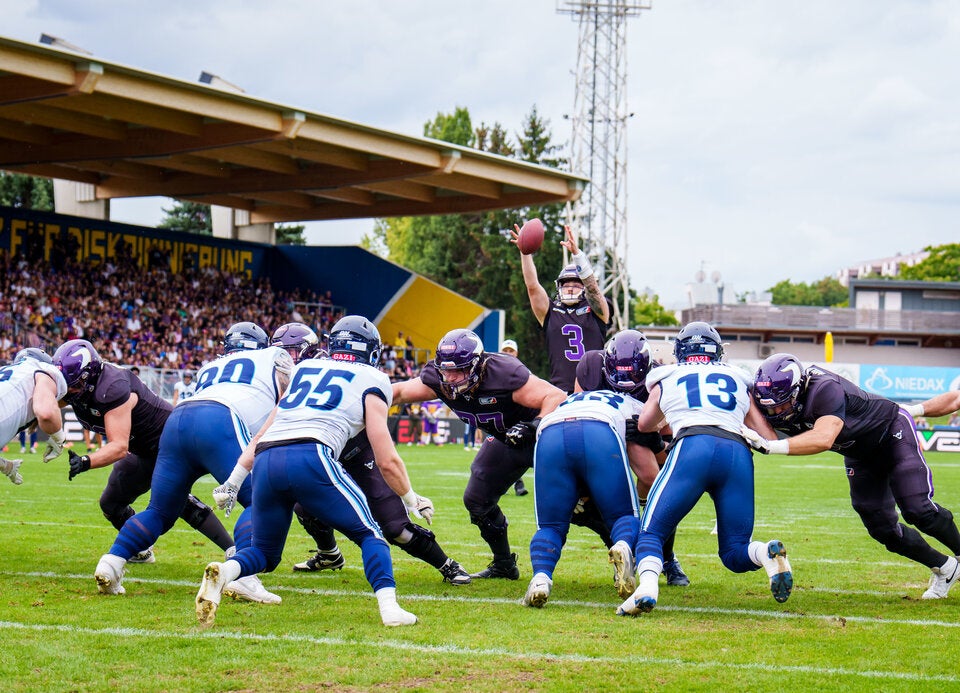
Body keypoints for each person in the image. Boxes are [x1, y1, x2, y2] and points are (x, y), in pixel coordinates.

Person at [196, 315, 429, 627]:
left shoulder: (304, 370)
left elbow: (263, 432)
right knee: (370, 533)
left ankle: (225, 572)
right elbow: (386, 458)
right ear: (372, 352)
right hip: (311, 454)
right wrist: (411, 498)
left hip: (267, 460)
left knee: (265, 554)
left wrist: (234, 481)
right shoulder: (375, 379)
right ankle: (390, 610)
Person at [93, 322, 292, 603]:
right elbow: (287, 402)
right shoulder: (273, 357)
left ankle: (112, 562)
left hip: (178, 421)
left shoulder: (209, 367)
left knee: (160, 510)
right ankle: (245, 577)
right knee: (261, 500)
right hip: (219, 420)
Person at [746, 353, 960, 600]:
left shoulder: (824, 388)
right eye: (769, 407)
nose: (776, 412)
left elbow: (824, 438)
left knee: (917, 509)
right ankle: (945, 568)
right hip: (859, 454)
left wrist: (769, 447)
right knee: (882, 528)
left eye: (782, 405)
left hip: (891, 434)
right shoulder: (762, 397)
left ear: (798, 389)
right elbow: (768, 436)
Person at [617, 322, 793, 616]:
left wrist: (666, 418)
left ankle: (647, 588)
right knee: (734, 550)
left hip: (692, 447)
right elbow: (768, 436)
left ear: (680, 352)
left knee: (651, 532)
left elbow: (646, 424)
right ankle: (766, 552)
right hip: (736, 453)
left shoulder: (668, 375)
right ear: (717, 352)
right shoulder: (736, 377)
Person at [393, 328, 568, 580]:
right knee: (477, 500)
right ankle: (504, 564)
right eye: (446, 370)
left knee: (578, 505)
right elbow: (397, 393)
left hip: (543, 439)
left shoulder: (503, 373)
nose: (450, 378)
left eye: (458, 370)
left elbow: (556, 395)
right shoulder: (438, 380)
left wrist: (534, 425)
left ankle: (627, 550)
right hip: (505, 441)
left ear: (477, 365)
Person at [52, 339, 234, 566]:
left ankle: (233, 550)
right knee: (111, 503)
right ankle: (141, 550)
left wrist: (86, 461)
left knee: (174, 500)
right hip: (142, 449)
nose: (68, 391)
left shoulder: (111, 387)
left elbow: (119, 447)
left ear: (90, 375)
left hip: (171, 441)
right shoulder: (79, 387)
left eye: (74, 384)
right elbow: (46, 401)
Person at [573, 330, 690, 588]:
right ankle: (625, 549)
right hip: (598, 440)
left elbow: (675, 448)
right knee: (577, 502)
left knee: (659, 489)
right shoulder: (591, 366)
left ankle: (667, 558)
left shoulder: (661, 381)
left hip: (641, 439)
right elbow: (577, 414)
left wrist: (655, 441)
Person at [290, 429, 472, 586]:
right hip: (323, 457)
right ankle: (329, 554)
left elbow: (386, 453)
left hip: (357, 453)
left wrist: (410, 496)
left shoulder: (366, 392)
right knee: (304, 507)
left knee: (396, 528)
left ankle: (447, 564)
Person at [521, 382, 647, 607]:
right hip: (599, 431)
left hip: (550, 434)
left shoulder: (569, 400)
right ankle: (625, 546)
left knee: (550, 526)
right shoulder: (630, 402)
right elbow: (655, 442)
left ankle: (541, 578)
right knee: (623, 515)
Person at [514, 224, 611, 394]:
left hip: (595, 391)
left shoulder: (596, 311)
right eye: (566, 285)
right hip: (561, 392)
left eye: (576, 284)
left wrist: (577, 255)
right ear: (559, 287)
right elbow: (532, 286)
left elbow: (593, 288)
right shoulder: (551, 311)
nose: (571, 288)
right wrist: (525, 252)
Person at [0, 348, 67, 486]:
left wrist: (6, 466)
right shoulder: (46, 370)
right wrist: (59, 439)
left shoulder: (8, 371)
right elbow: (46, 412)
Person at [500, 339, 528, 496]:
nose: (508, 353)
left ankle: (518, 484)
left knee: (516, 448)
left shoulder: (523, 371)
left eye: (511, 351)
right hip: (498, 416)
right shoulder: (492, 369)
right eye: (505, 350)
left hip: (517, 415)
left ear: (516, 353)